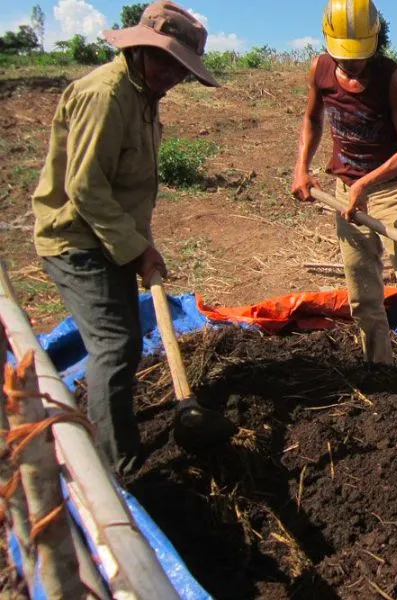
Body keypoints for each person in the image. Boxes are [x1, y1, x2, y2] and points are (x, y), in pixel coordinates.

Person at [31, 1, 221, 475]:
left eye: (180, 69)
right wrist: (137, 249)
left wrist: (143, 246)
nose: (171, 76)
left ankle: (114, 423)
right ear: (139, 50)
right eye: (164, 62)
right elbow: (86, 189)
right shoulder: (106, 95)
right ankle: (120, 467)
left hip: (109, 235)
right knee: (113, 344)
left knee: (126, 341)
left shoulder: (143, 98)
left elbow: (128, 188)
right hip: (75, 239)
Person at [291, 0, 397, 367]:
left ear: (377, 39)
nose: (352, 63)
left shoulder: (393, 79)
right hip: (345, 194)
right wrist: (301, 166)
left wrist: (364, 184)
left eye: (360, 54)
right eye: (345, 56)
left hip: (392, 194)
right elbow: (312, 120)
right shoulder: (319, 69)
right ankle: (378, 371)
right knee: (363, 295)